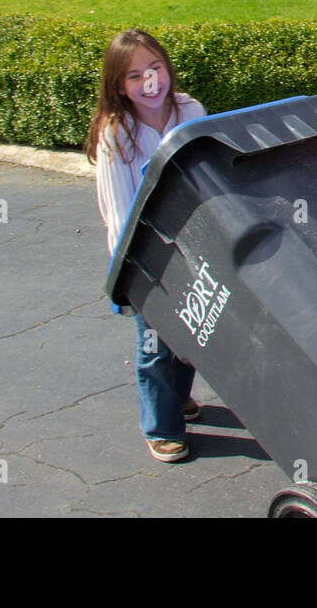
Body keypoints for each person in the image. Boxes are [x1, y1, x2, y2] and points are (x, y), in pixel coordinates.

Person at [87, 29, 207, 463]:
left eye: (155, 68)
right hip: (146, 258)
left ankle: (179, 397)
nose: (150, 82)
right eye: (136, 76)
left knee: (197, 331)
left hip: (193, 248)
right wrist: (135, 278)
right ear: (119, 86)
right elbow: (120, 216)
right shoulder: (116, 134)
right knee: (154, 345)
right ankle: (161, 426)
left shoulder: (190, 110)